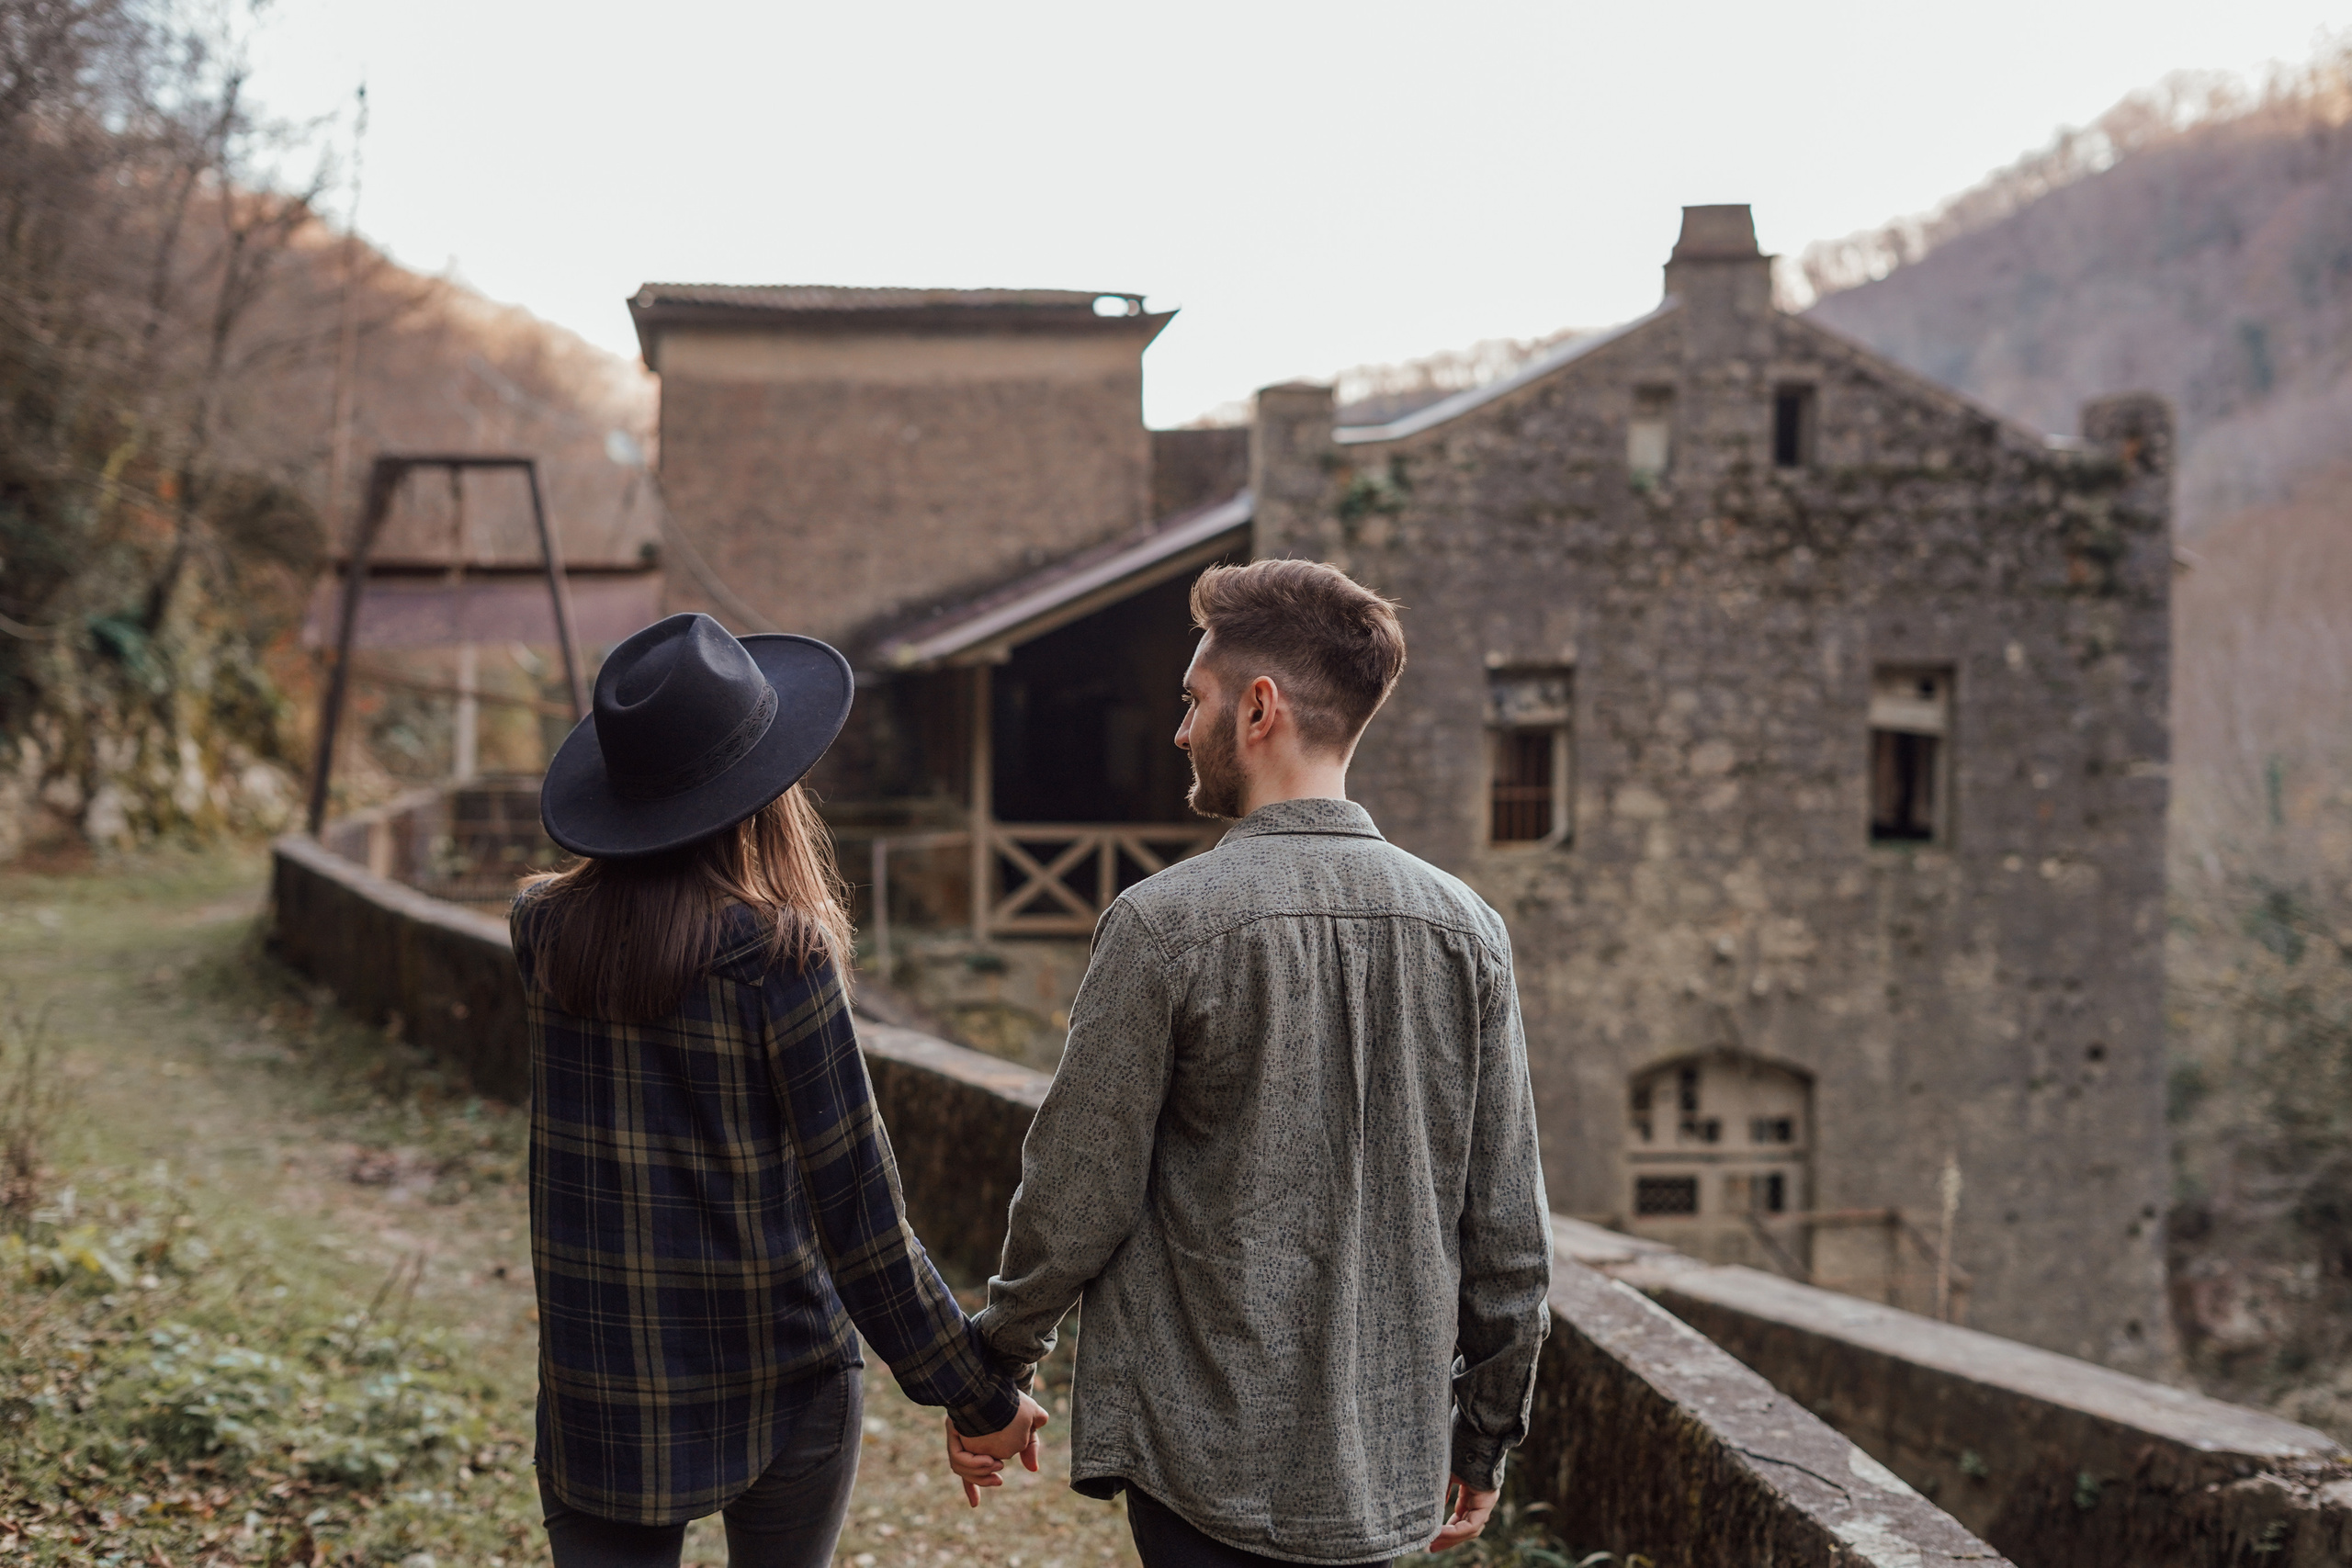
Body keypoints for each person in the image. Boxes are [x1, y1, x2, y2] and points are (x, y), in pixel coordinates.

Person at [949, 560, 1555, 1566]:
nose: (1181, 728)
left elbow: (1075, 1195)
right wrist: (1482, 1441)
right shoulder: (1468, 931)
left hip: (1202, 1465)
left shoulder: (1161, 927)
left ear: (1259, 707)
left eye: (1194, 701)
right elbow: (1509, 1237)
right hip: (1388, 1468)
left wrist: (996, 1366)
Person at [514, 612, 1046, 1568]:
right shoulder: (779, 960)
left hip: (600, 1385)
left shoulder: (541, 932)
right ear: (759, 791)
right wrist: (979, 1395)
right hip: (778, 1381)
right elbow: (861, 1221)